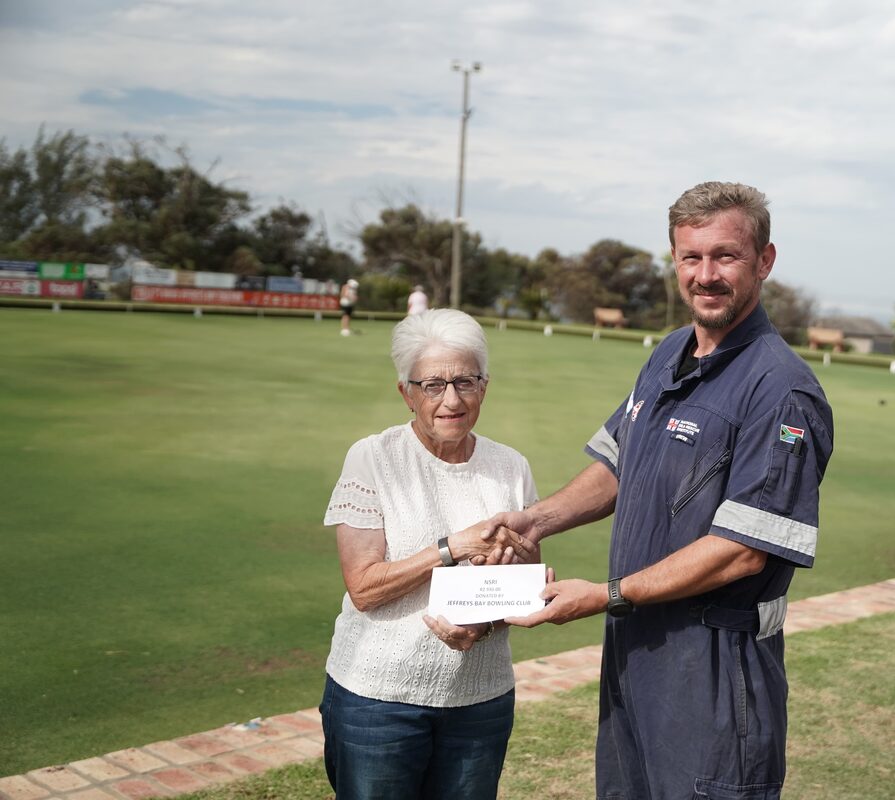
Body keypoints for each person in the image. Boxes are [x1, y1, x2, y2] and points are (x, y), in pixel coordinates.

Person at [488, 181, 835, 799]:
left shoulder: (781, 388)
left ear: (765, 261)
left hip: (714, 668)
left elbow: (744, 548)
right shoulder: (669, 353)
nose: (706, 274)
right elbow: (621, 464)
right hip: (636, 652)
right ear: (674, 261)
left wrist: (607, 593)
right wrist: (535, 522)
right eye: (691, 257)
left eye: (725, 256)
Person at [319, 308, 537, 799]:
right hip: (377, 700)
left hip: (480, 700)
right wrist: (452, 548)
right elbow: (364, 589)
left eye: (465, 381)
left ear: (485, 385)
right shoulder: (373, 458)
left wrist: (486, 620)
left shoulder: (511, 467)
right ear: (407, 393)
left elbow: (525, 588)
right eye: (433, 385)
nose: (451, 400)